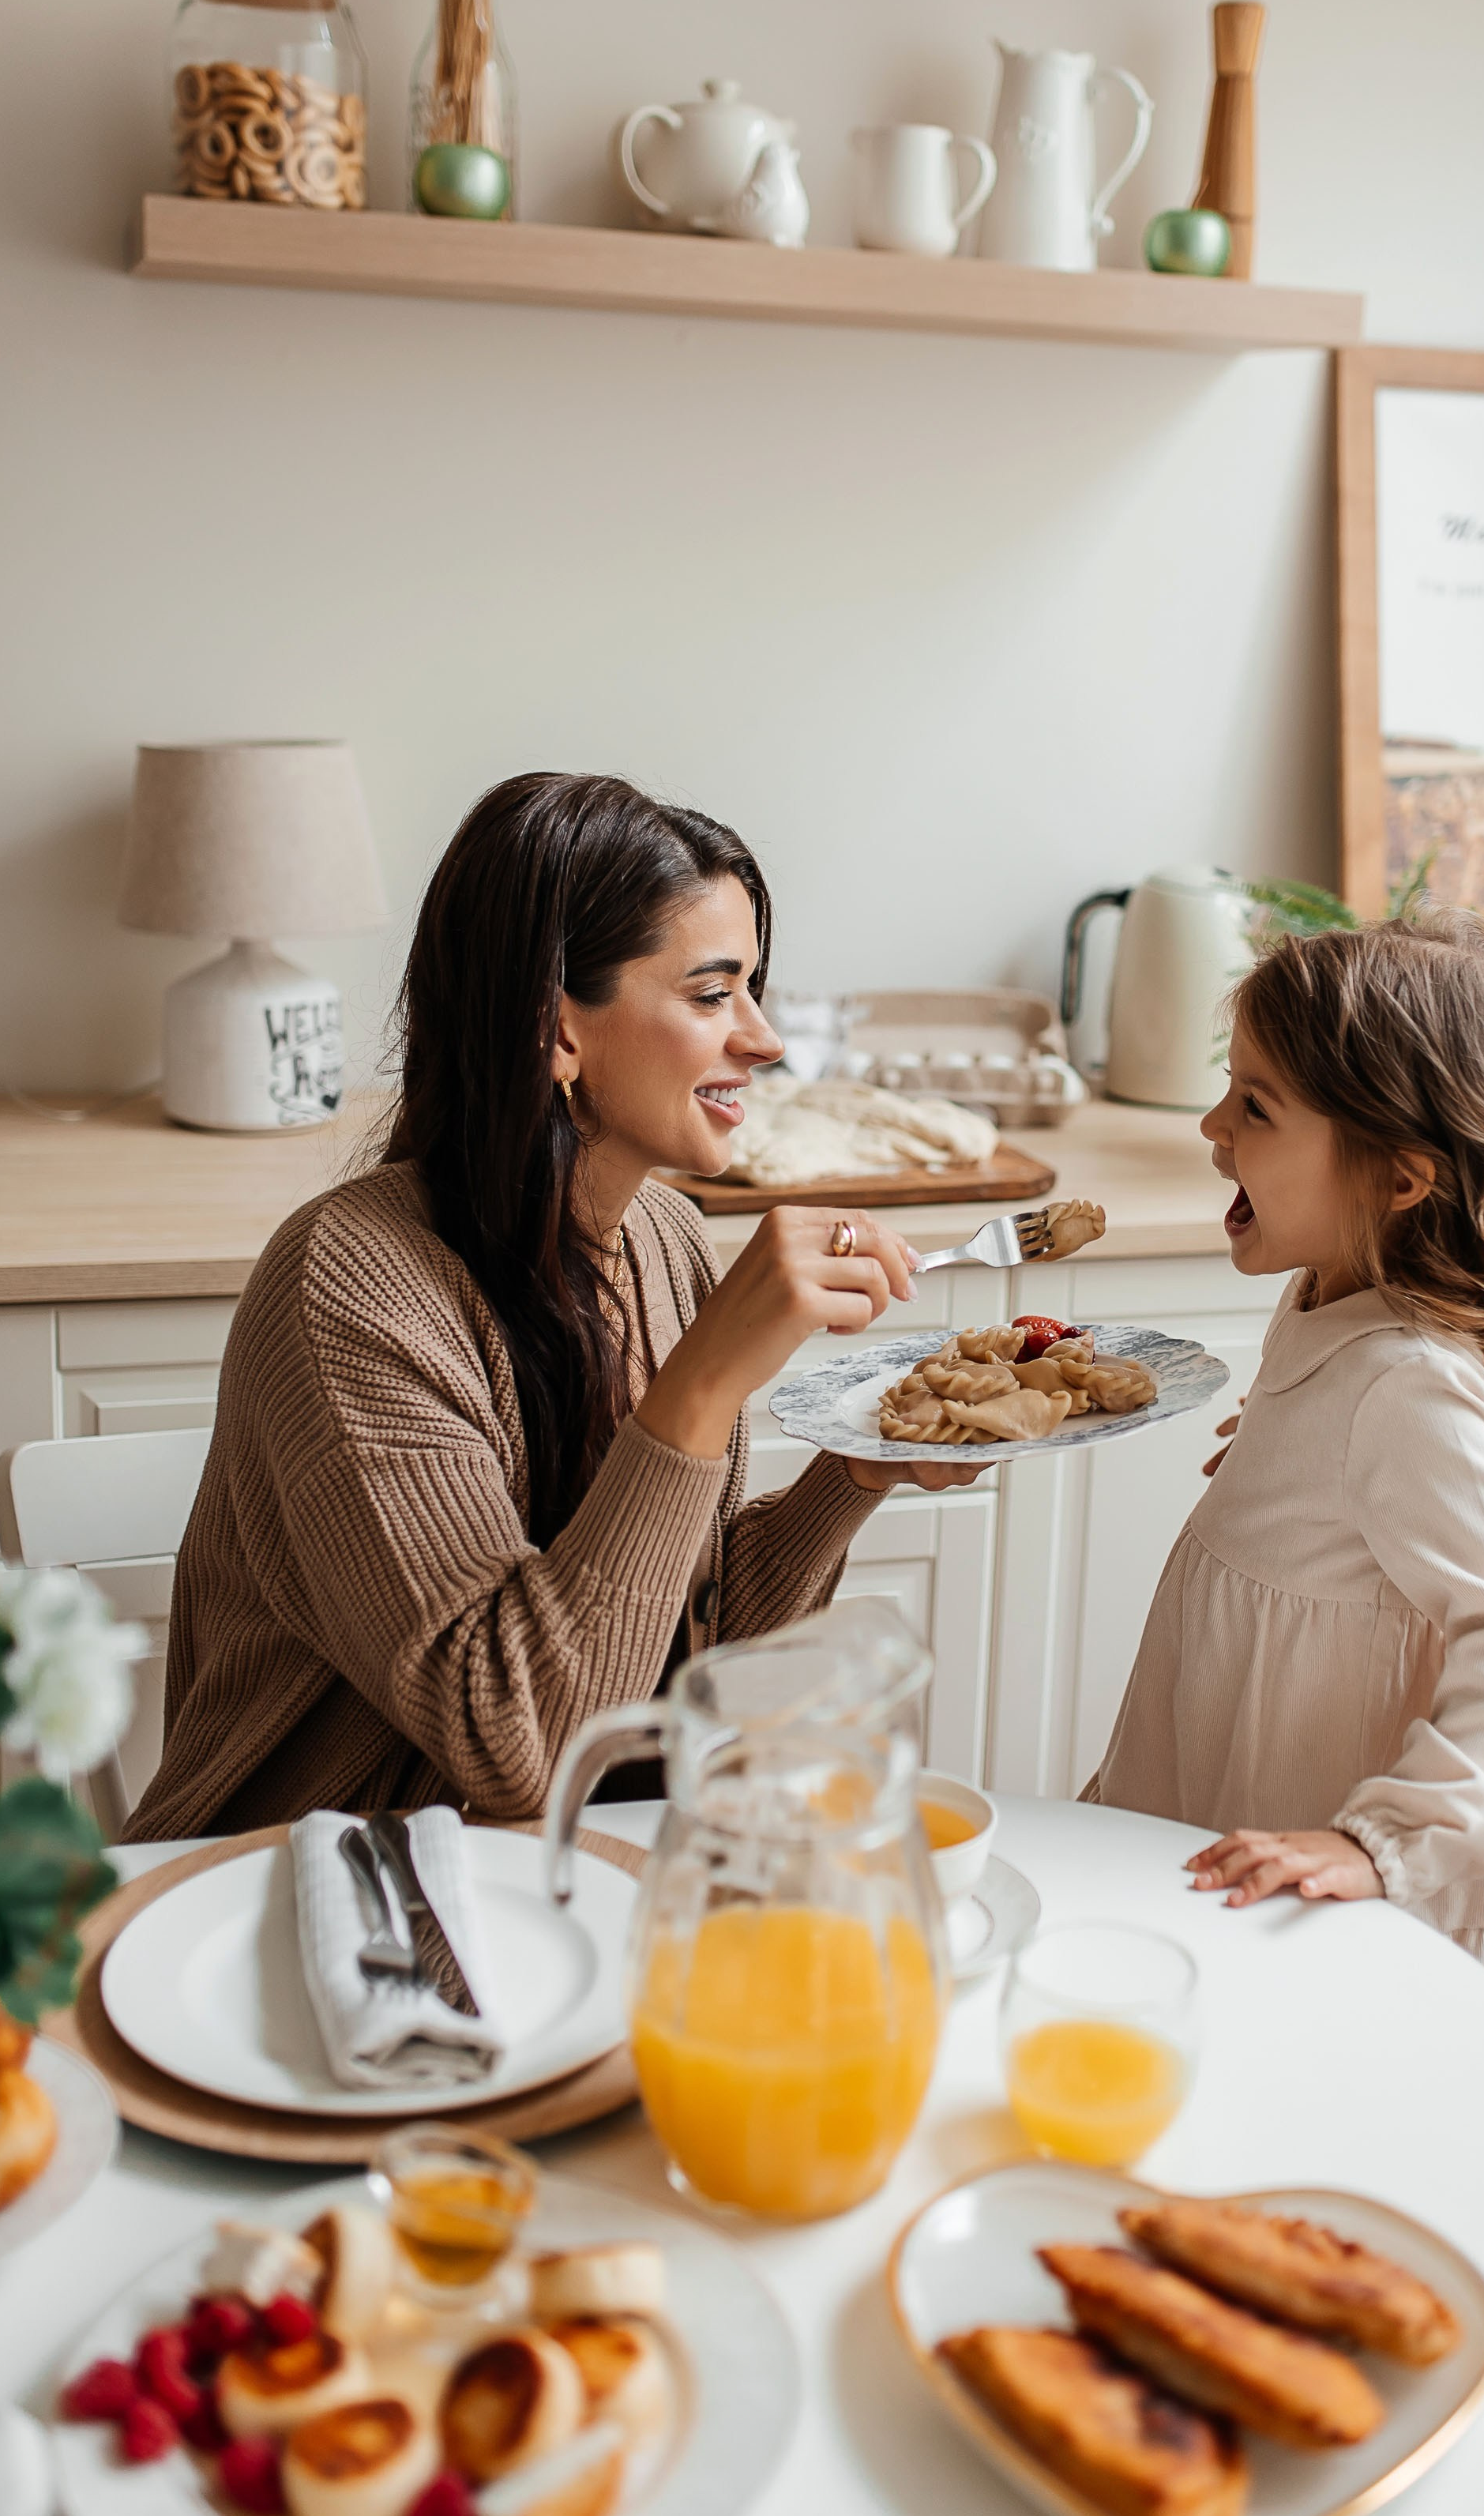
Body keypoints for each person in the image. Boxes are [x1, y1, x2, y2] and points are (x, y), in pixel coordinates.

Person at [129, 773, 979, 1839]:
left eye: (754, 989)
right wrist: (705, 1379)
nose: (763, 1040)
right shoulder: (348, 1287)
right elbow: (522, 1746)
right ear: (557, 1030)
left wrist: (853, 1473)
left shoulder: (663, 1242)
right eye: (713, 996)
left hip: (551, 1878)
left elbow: (670, 1658)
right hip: (304, 1891)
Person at [1088, 910, 1484, 2070]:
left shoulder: (1407, 1389)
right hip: (1276, 1903)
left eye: (1256, 1107)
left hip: (1399, 1953)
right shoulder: (1331, 1311)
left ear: (1402, 1178)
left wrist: (1382, 1846)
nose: (1212, 1128)